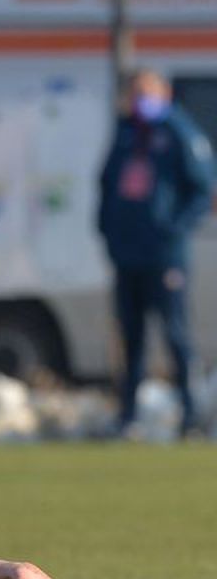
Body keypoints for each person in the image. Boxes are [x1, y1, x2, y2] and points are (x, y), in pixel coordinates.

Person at [98, 68, 214, 438]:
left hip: (164, 255)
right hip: (127, 254)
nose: (140, 101)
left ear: (163, 94)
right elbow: (105, 185)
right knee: (130, 338)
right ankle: (127, 416)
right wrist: (108, 231)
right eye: (135, 94)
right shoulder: (126, 133)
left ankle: (190, 414)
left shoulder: (179, 132)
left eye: (146, 93)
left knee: (175, 335)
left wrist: (172, 228)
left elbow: (202, 190)